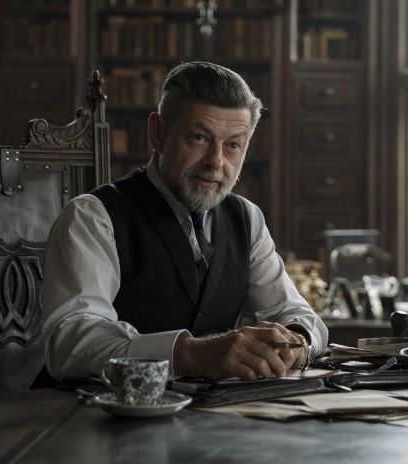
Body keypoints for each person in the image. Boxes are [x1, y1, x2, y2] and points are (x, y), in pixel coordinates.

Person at [41, 61, 328, 383]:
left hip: (205, 422)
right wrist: (189, 354)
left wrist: (296, 342)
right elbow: (70, 343)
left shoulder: (246, 218)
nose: (216, 162)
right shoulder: (93, 217)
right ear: (158, 133)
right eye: (199, 138)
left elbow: (299, 316)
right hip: (88, 419)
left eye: (233, 145)